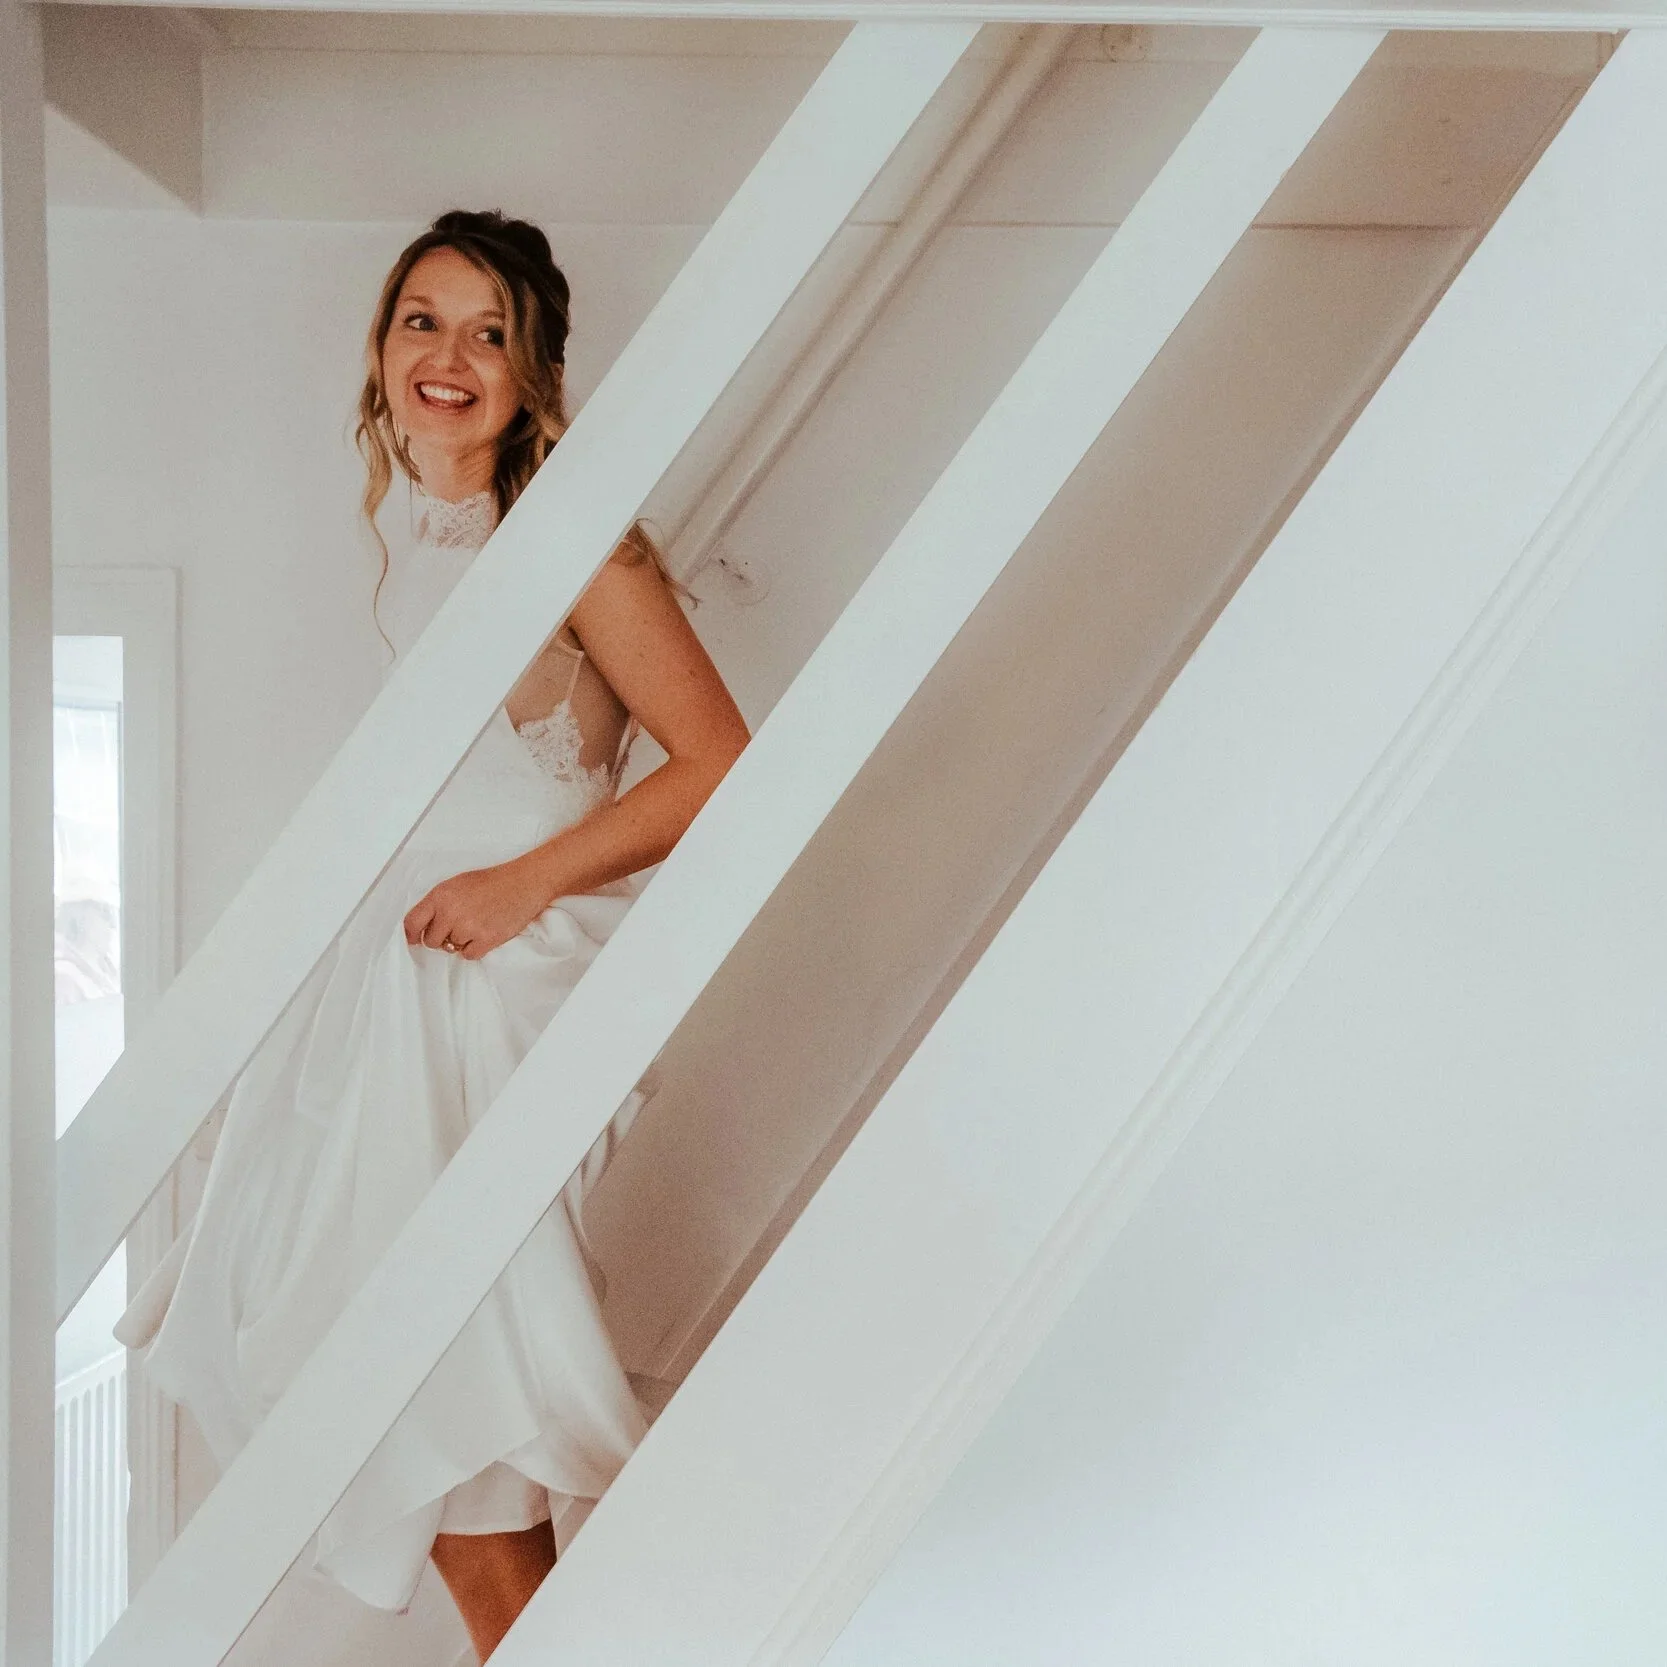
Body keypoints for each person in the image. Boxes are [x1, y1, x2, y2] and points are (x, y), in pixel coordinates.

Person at [116, 209, 751, 1661]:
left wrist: (522, 883)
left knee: (457, 1400)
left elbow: (721, 759)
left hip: (484, 1000)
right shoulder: (403, 543)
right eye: (423, 319)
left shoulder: (577, 542)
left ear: (533, 373)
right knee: (418, 1400)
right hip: (378, 1005)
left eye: (487, 331)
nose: (448, 356)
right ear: (382, 346)